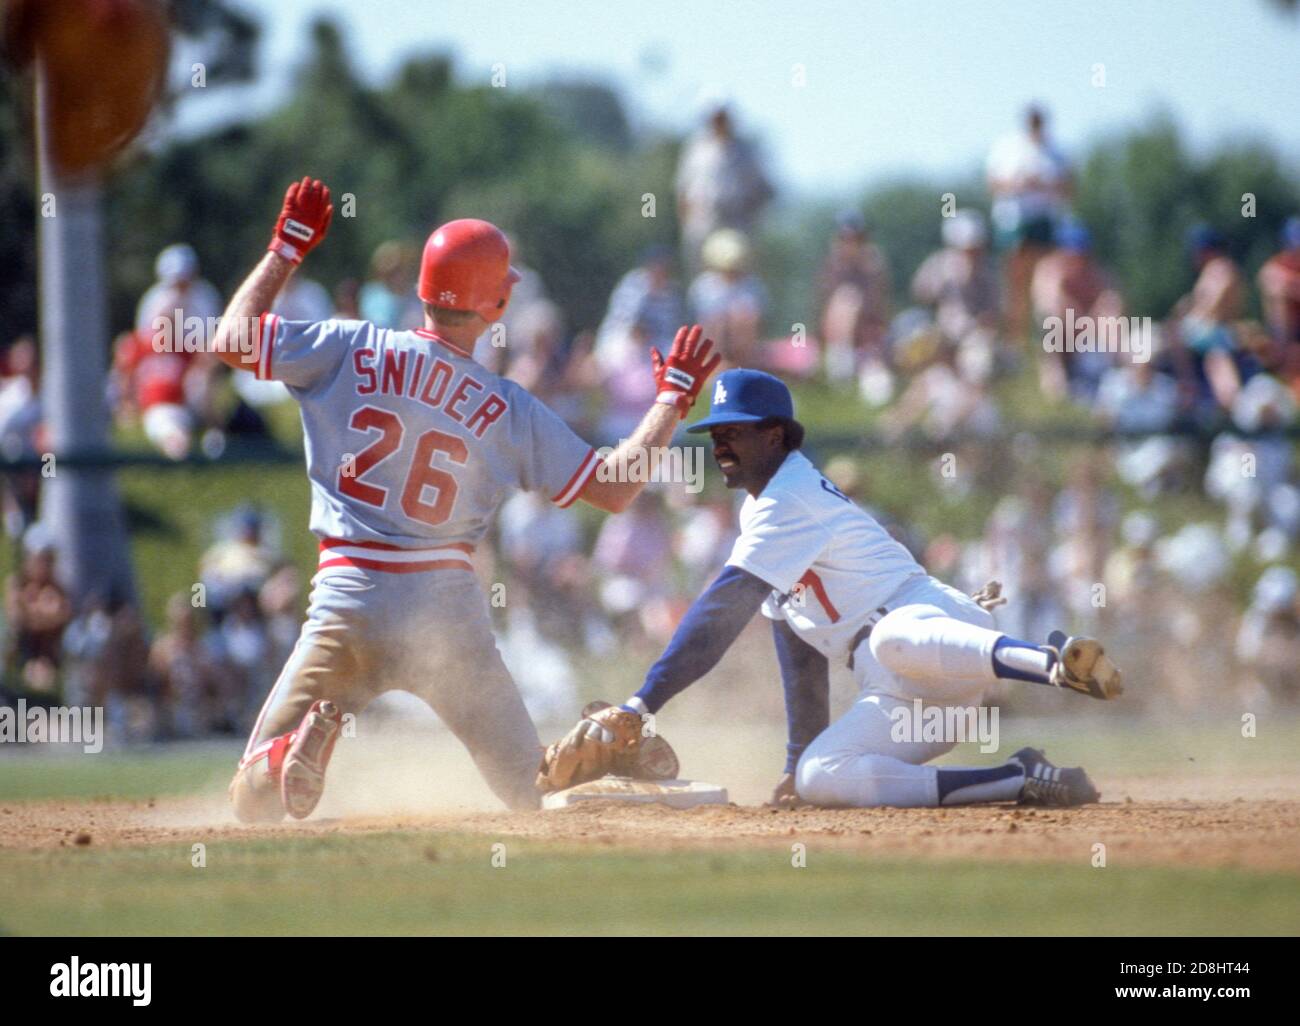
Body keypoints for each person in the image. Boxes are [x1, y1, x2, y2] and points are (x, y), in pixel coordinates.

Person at [210, 178, 720, 822]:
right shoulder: (508, 405)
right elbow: (615, 488)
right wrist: (672, 398)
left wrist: (287, 247)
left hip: (348, 598)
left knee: (251, 806)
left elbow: (230, 338)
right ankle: (588, 745)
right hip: (446, 616)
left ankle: (288, 756)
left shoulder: (351, 344)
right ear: (499, 302)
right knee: (532, 792)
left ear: (422, 289)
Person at [546, 369, 1122, 809]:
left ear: (775, 437)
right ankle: (1019, 777)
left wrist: (643, 703)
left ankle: (1050, 665)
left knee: (892, 635)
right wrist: (797, 760)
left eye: (735, 432)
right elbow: (794, 646)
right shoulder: (761, 514)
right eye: (716, 433)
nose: (721, 444)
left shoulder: (787, 498)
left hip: (940, 633)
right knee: (822, 776)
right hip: (915, 701)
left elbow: (720, 612)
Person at [986, 105, 1073, 341]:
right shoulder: (1008, 148)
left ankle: (1045, 335)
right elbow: (993, 184)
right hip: (1015, 222)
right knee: (1016, 282)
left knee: (1046, 279)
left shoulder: (1056, 152)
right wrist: (1019, 184)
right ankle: (1017, 338)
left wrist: (1045, 185)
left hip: (1045, 222)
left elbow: (1070, 187)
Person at [674, 97, 773, 274]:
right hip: (702, 223)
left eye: (722, 118)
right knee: (703, 277)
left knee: (737, 275)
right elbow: (682, 190)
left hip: (736, 223)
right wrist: (687, 224)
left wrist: (750, 218)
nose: (718, 122)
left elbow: (763, 190)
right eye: (714, 118)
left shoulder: (745, 150)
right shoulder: (696, 149)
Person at [1257, 216, 1300, 349]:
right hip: (1287, 329)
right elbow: (1267, 278)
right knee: (1278, 293)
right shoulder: (1276, 266)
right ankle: (1283, 350)